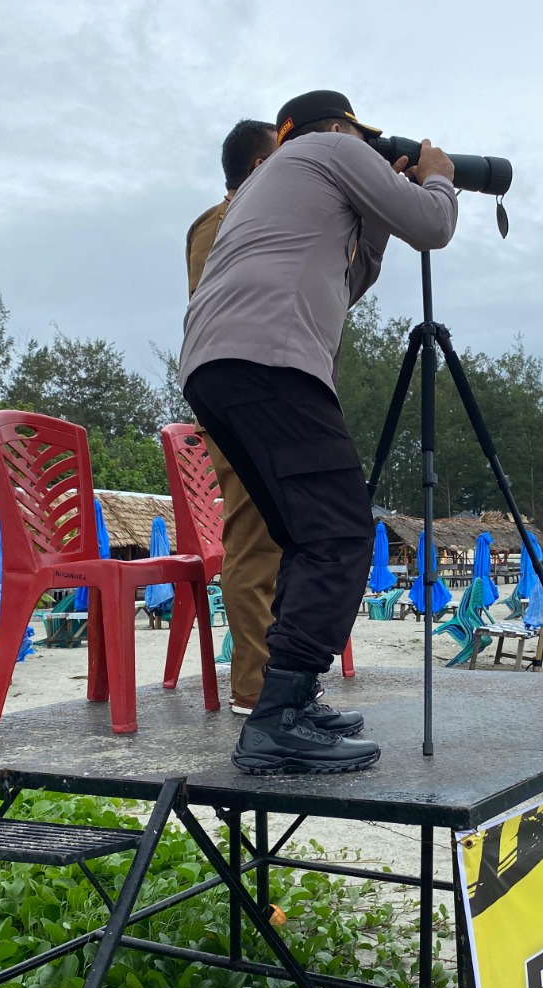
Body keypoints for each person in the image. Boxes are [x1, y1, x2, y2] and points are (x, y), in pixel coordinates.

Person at [180, 89, 458, 774]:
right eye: (358, 138)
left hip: (214, 369)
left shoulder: (261, 190)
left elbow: (348, 279)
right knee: (341, 535)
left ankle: (291, 700)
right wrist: (439, 175)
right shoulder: (326, 148)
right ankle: (276, 719)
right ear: (337, 130)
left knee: (305, 539)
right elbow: (434, 225)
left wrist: (378, 208)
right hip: (273, 360)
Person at [184, 119, 279, 717]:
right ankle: (255, 686)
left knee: (277, 534)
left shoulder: (226, 222)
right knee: (254, 534)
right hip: (245, 394)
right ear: (256, 170)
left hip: (252, 391)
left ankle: (274, 675)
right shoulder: (227, 223)